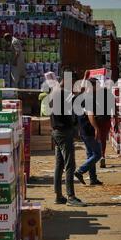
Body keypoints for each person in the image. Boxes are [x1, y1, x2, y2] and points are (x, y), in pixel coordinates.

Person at [49, 78, 86, 207]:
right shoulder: (62, 98)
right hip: (64, 133)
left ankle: (58, 195)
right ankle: (71, 196)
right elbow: (69, 117)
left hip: (56, 132)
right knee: (69, 165)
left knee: (59, 165)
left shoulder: (54, 95)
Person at [74, 78, 104, 186]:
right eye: (98, 85)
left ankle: (93, 178)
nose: (99, 87)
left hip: (82, 129)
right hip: (89, 129)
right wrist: (96, 128)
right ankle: (80, 171)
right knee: (97, 154)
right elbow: (90, 115)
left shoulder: (79, 97)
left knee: (90, 154)